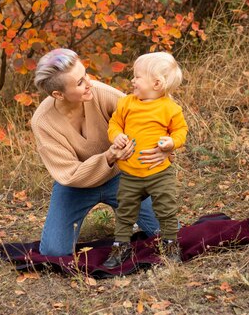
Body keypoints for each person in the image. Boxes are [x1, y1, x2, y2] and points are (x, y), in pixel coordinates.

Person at [31, 48, 169, 257]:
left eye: (85, 74)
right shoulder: (43, 122)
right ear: (58, 94)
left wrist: (164, 149)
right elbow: (69, 174)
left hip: (122, 176)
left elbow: (151, 114)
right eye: (79, 83)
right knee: (54, 252)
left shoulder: (100, 92)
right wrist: (109, 156)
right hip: (76, 186)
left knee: (167, 234)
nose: (89, 83)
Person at [103, 52, 188, 268]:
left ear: (157, 83)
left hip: (159, 172)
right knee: (125, 211)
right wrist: (116, 136)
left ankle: (170, 244)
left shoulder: (170, 108)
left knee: (166, 208)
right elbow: (114, 124)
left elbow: (180, 131)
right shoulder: (126, 103)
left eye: (137, 76)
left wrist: (171, 143)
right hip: (130, 173)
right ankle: (121, 246)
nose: (132, 80)